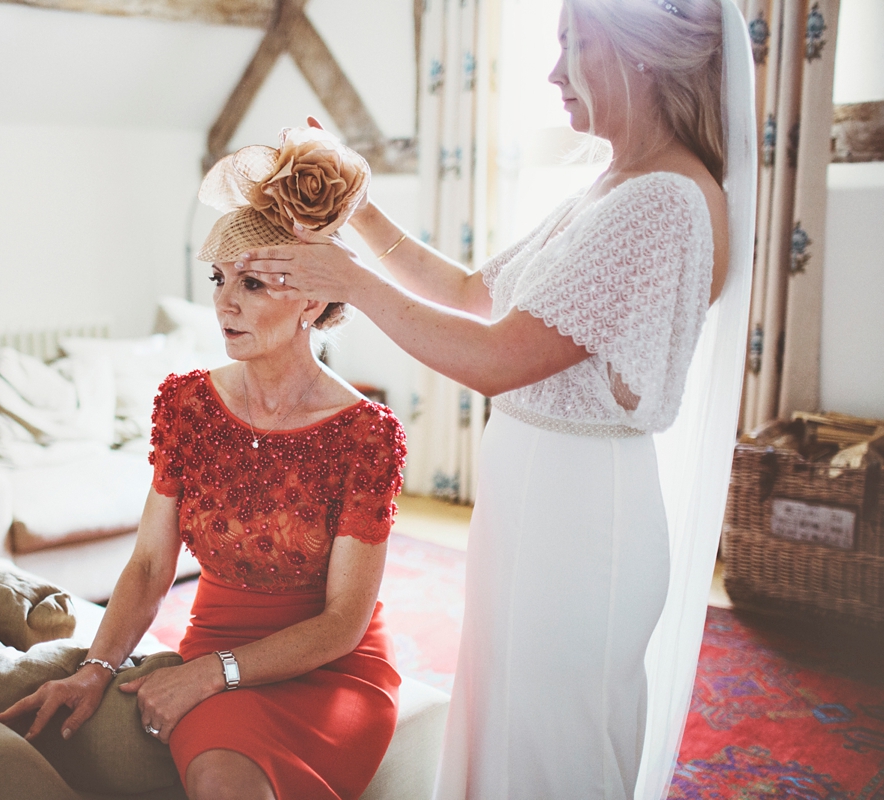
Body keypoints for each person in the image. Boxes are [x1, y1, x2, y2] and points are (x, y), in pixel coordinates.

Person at [235, 1, 757, 797]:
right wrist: (359, 210)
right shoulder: (613, 183)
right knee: (509, 713)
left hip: (584, 514)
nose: (554, 74)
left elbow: (495, 358)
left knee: (555, 734)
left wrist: (351, 284)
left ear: (640, 55)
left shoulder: (662, 201)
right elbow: (477, 293)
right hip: (538, 499)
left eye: (572, 48)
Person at [0, 129, 407, 800]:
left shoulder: (364, 433)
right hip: (216, 639)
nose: (224, 302)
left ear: (310, 300)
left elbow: (343, 623)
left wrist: (212, 673)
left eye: (251, 282)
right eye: (220, 279)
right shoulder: (187, 404)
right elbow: (152, 566)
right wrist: (97, 667)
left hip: (332, 669)